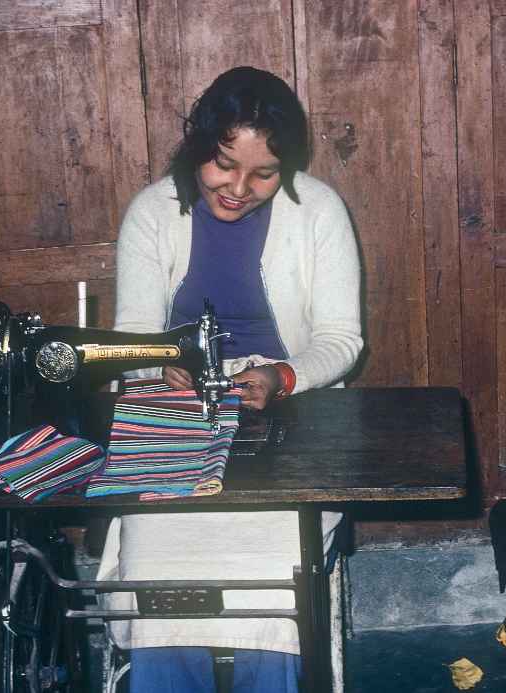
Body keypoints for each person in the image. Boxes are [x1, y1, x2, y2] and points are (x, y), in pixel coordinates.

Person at [96, 66, 363, 693]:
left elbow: (341, 341)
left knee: (275, 566)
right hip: (173, 407)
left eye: (263, 173)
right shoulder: (153, 213)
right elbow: (132, 336)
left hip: (290, 411)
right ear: (199, 148)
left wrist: (282, 375)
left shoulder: (319, 211)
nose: (239, 188)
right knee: (158, 559)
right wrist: (161, 365)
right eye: (223, 164)